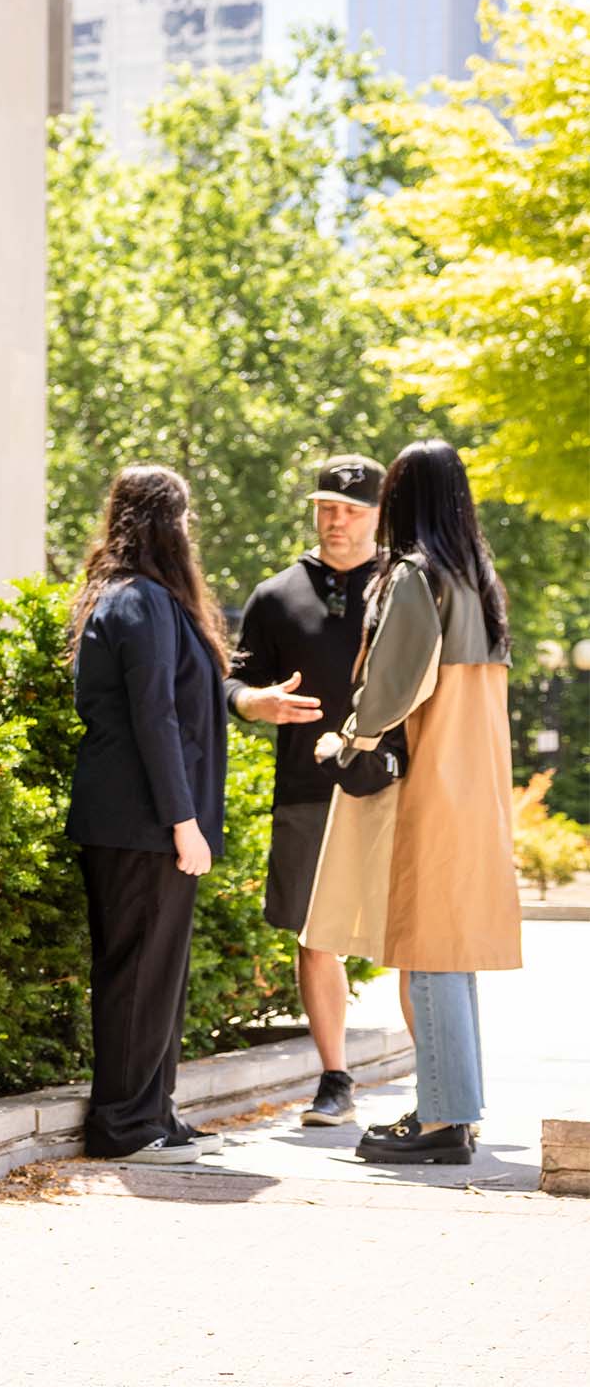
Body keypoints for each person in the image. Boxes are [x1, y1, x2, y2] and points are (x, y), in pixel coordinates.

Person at [302, 439, 523, 1165]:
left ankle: (439, 1118)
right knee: (449, 946)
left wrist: (348, 738)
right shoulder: (477, 576)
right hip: (475, 781)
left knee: (428, 944)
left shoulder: (415, 576)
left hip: (430, 778)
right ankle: (456, 1109)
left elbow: (394, 684)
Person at [225, 455, 407, 1127]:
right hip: (306, 789)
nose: (336, 520)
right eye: (326, 507)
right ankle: (334, 1078)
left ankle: (436, 1089)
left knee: (409, 937)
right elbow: (232, 682)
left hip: (392, 787)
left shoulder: (405, 588)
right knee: (313, 935)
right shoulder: (276, 596)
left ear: (379, 515)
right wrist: (253, 703)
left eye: (352, 509)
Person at [64, 466, 230, 1165]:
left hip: (140, 822)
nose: (190, 533)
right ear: (169, 524)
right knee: (137, 972)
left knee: (157, 970)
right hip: (142, 825)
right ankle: (125, 1124)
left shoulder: (139, 599)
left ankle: (153, 1111)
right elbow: (154, 717)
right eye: (185, 519)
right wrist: (183, 820)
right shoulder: (141, 602)